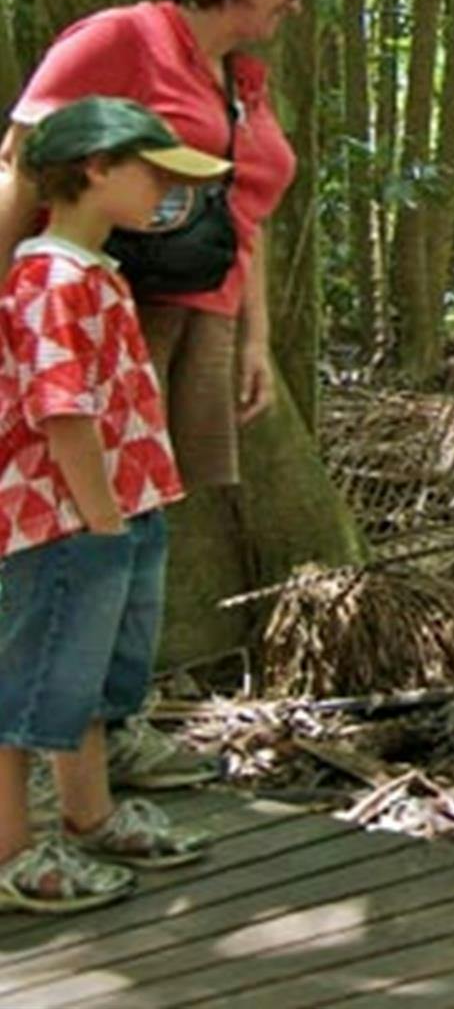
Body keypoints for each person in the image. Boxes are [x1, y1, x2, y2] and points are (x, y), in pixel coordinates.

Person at [0, 0, 319, 790]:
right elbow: (24, 160)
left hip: (198, 316)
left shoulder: (242, 79)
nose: (296, 4)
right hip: (100, 312)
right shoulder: (121, 38)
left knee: (143, 524)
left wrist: (257, 338)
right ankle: (49, 753)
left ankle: (112, 728)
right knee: (75, 527)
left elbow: (242, 212)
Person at [0, 98, 227, 911]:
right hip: (65, 518)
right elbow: (60, 409)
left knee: (88, 675)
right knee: (32, 684)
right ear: (95, 171)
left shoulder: (94, 273)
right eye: (152, 171)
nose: (166, 189)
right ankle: (13, 852)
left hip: (116, 510)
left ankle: (89, 817)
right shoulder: (50, 281)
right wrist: (98, 517)